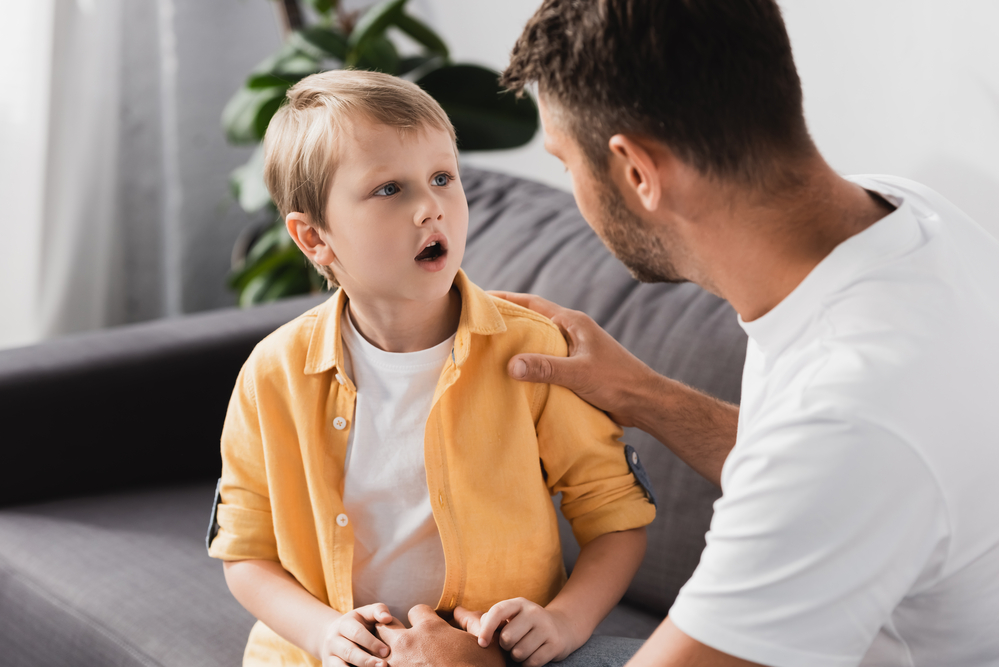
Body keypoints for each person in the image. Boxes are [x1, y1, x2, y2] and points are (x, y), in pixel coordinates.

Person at [379, 1, 999, 666]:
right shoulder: (906, 220)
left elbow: (838, 451)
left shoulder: (849, 416)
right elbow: (841, 472)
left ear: (636, 172)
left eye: (565, 162)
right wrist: (641, 393)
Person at [206, 69, 657, 667]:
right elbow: (245, 554)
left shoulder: (534, 353)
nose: (431, 208)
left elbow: (615, 520)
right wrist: (322, 634)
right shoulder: (272, 374)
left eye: (443, 178)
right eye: (390, 189)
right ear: (314, 239)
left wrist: (564, 622)